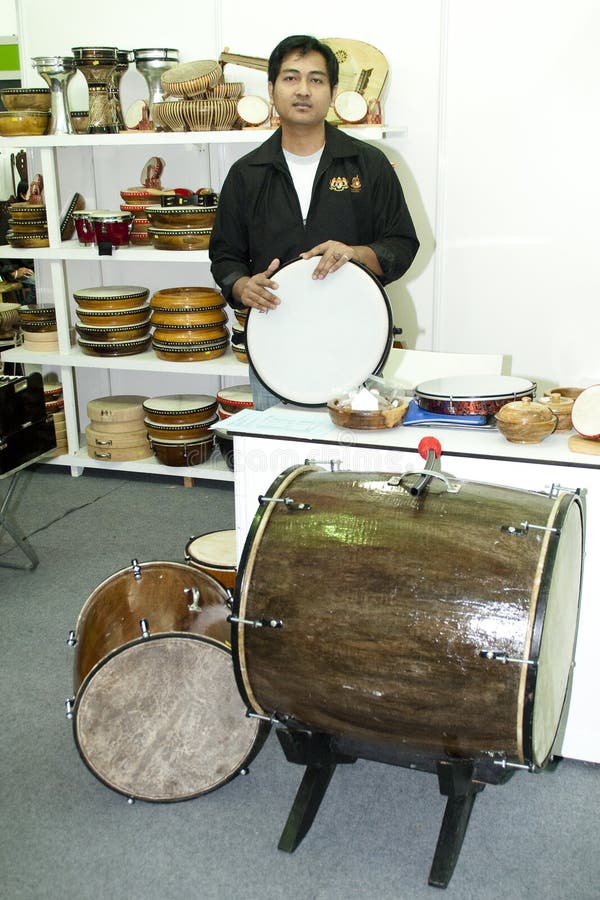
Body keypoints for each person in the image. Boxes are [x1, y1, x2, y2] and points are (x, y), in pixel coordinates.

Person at [209, 34, 419, 410]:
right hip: (275, 344)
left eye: (316, 80)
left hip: (358, 344)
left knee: (356, 463)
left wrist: (355, 254)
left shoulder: (368, 165)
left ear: (333, 91)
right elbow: (224, 255)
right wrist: (241, 286)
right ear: (271, 89)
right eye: (291, 78)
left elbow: (403, 244)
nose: (303, 90)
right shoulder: (246, 174)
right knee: (278, 460)